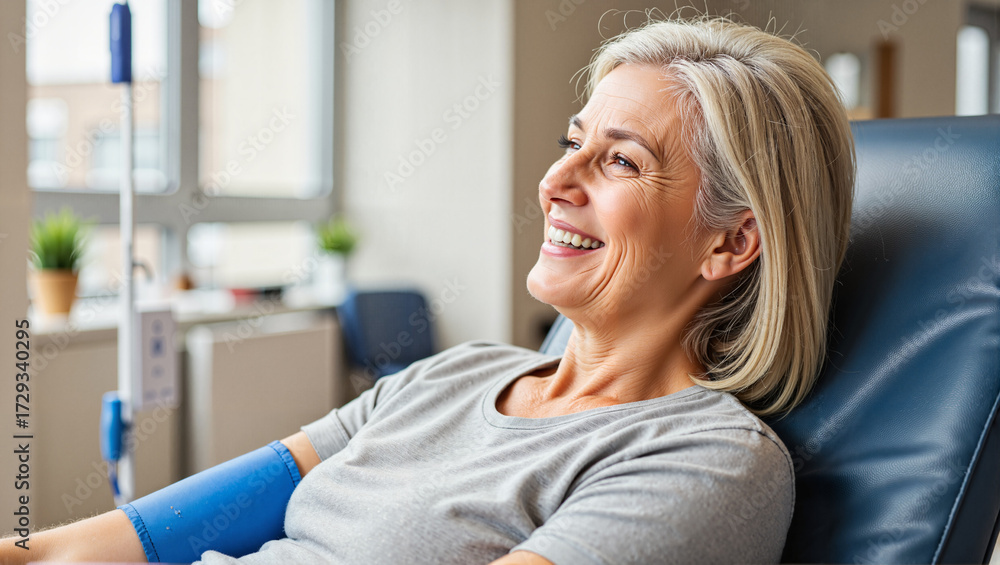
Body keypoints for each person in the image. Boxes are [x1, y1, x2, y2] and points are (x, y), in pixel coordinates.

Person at [1, 14, 853, 564]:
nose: (558, 178)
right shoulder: (454, 374)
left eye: (621, 160)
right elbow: (135, 538)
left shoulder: (707, 463)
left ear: (731, 241)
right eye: (574, 141)